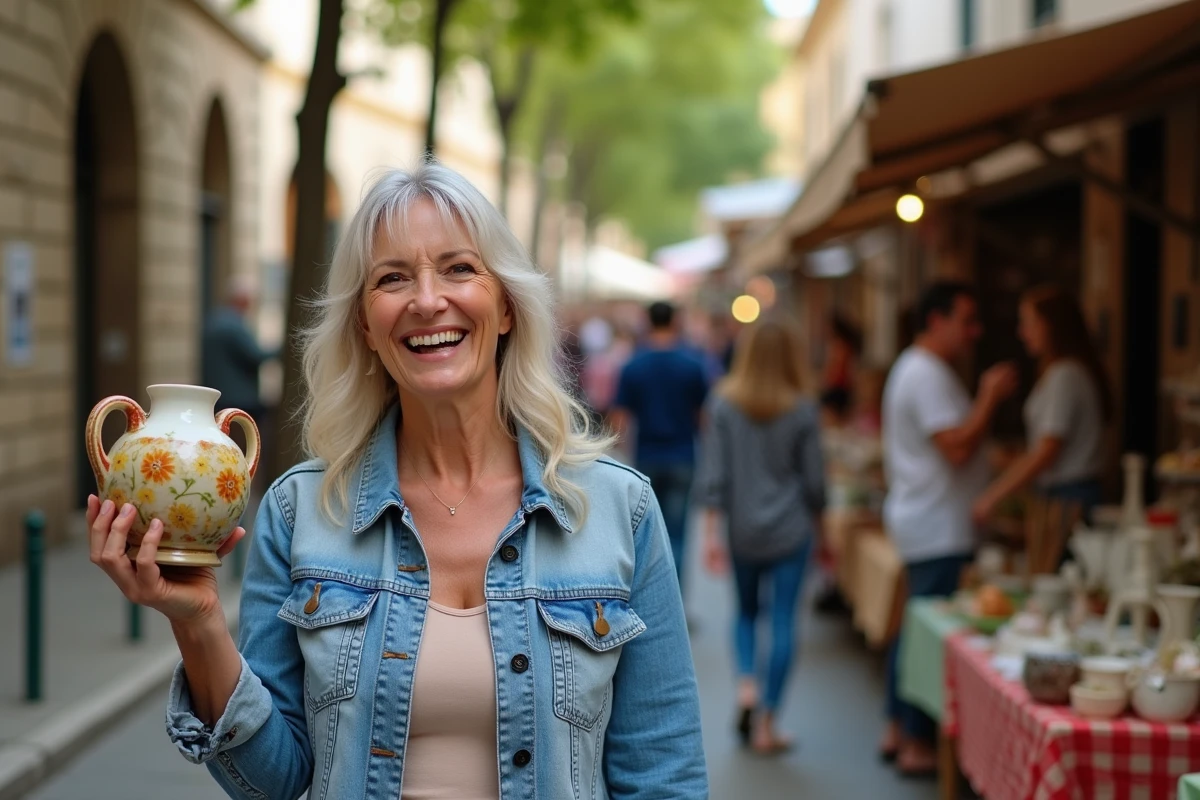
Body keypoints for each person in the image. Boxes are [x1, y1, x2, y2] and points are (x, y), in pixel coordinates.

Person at [87, 164, 707, 799]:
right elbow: (269, 783)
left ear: (506, 308)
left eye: (460, 269)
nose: (428, 299)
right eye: (393, 278)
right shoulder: (302, 510)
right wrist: (199, 623)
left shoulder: (617, 508)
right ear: (365, 325)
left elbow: (664, 777)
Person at [879, 281, 1018, 776]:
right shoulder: (928, 374)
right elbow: (956, 447)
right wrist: (989, 397)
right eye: (966, 320)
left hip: (931, 518)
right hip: (936, 523)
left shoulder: (918, 369)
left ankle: (899, 729)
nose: (974, 332)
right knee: (927, 635)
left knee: (915, 628)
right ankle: (915, 738)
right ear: (936, 320)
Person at [694, 319, 825, 755]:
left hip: (743, 528)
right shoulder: (804, 408)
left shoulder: (723, 405)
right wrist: (825, 533)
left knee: (746, 612)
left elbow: (714, 475)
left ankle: (747, 685)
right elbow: (815, 484)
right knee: (784, 619)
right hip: (791, 529)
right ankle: (768, 721)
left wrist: (712, 533)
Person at [972, 285, 1111, 525]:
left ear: (1050, 325)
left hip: (1068, 498)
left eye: (1029, 323)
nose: (1022, 332)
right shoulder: (1062, 372)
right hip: (1065, 493)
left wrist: (993, 496)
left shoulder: (1065, 375)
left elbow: (1048, 451)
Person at [611, 301, 710, 590]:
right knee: (678, 535)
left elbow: (619, 420)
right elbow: (703, 418)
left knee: (648, 535)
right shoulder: (693, 364)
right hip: (683, 455)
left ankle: (653, 597)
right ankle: (675, 602)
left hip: (646, 456)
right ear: (675, 321)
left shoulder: (633, 365)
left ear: (648, 322)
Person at [201, 276, 276, 419]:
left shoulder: (216, 319)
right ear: (242, 300)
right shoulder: (233, 324)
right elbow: (255, 355)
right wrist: (282, 349)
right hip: (238, 399)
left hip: (218, 395)